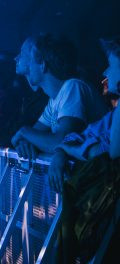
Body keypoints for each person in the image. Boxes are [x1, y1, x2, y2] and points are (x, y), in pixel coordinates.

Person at [48, 37, 120, 263]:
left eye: (112, 63)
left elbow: (113, 150)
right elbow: (86, 136)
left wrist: (74, 150)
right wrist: (62, 150)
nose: (106, 70)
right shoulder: (113, 114)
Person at [11, 34, 107, 158]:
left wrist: (24, 132)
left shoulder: (73, 87)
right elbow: (34, 135)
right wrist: (25, 139)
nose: (28, 67)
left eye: (31, 61)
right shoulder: (54, 99)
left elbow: (60, 142)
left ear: (43, 65)